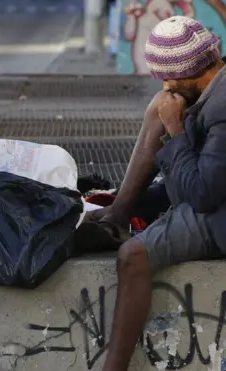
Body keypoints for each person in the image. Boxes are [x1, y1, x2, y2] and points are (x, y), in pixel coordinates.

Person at [81, 16, 226, 371]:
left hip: (218, 210)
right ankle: (117, 213)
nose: (165, 84)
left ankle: (113, 367)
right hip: (209, 184)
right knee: (157, 110)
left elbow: (204, 195)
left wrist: (176, 127)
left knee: (134, 255)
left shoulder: (223, 112)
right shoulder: (213, 89)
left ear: (190, 72)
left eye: (167, 76)